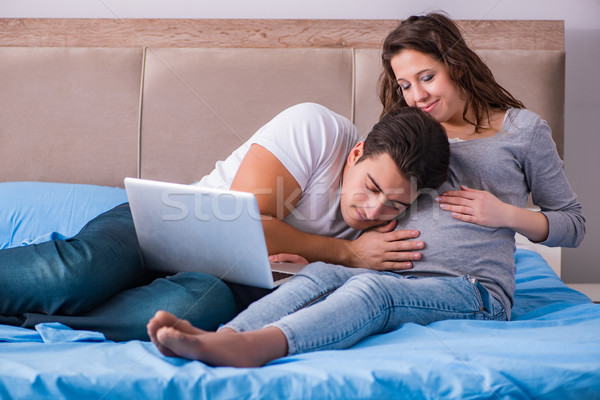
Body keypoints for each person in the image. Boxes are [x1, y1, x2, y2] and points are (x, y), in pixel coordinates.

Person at [146, 12, 585, 368]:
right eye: (405, 85)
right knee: (322, 277)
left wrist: (508, 215)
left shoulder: (522, 131)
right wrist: (319, 254)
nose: (417, 95)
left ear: (458, 64)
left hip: (472, 288)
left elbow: (574, 224)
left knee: (373, 293)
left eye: (427, 77)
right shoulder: (409, 133)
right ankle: (224, 338)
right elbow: (365, 218)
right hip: (390, 273)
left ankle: (260, 348)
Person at [0, 103, 448, 341]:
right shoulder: (316, 129)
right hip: (170, 224)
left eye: (393, 205)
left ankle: (28, 319)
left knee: (184, 316)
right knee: (78, 274)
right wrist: (347, 252)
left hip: (227, 284)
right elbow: (246, 223)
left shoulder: (397, 220)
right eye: (369, 187)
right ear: (357, 153)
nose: (371, 211)